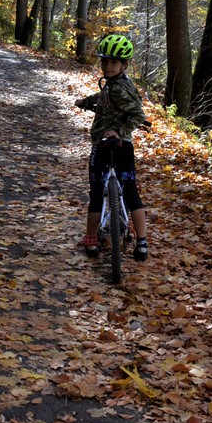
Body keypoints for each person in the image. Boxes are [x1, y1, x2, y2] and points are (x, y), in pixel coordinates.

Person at [74, 34, 149, 261]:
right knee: (131, 192)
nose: (108, 66)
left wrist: (119, 130)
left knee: (97, 193)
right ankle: (142, 242)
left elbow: (137, 114)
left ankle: (91, 239)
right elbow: (106, 95)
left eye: (113, 62)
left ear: (124, 64)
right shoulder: (122, 84)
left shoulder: (116, 88)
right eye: (105, 61)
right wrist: (87, 101)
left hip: (106, 145)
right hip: (124, 147)